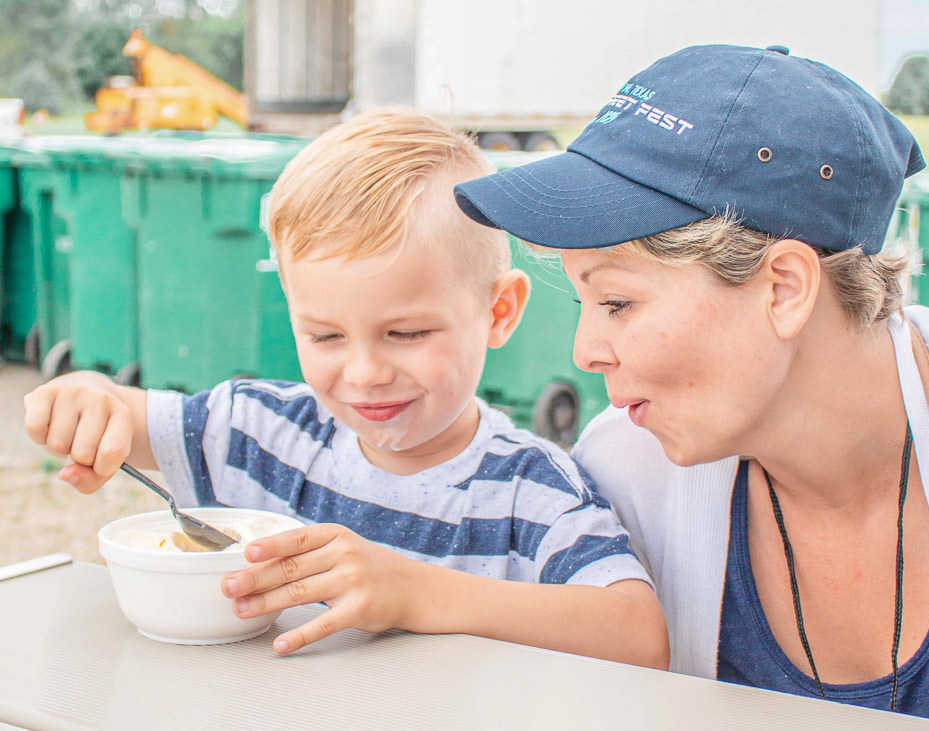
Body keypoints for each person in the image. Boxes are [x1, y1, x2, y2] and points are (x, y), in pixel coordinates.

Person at [453, 44, 929, 727]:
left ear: (784, 287)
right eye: (583, 306)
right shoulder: (627, 468)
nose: (585, 353)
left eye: (618, 303)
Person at [23, 107, 669, 668]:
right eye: (327, 337)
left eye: (407, 332)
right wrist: (86, 399)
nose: (363, 373)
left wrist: (417, 592)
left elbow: (639, 635)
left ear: (499, 312)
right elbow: (126, 416)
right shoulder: (259, 432)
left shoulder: (531, 490)